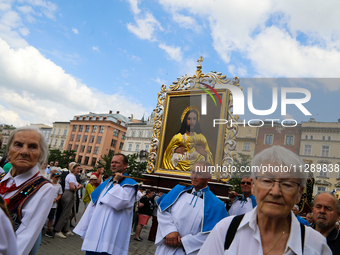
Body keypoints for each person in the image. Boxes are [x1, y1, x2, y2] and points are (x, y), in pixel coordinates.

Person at [198, 146, 331, 255]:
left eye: (287, 184)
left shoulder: (315, 246)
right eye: (267, 181)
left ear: (299, 194)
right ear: (254, 186)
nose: (275, 192)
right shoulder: (225, 231)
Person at [0, 126, 55, 255]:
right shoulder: (2, 178)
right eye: (18, 145)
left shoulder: (44, 188)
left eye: (32, 147)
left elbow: (23, 242)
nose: (24, 151)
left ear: (41, 155)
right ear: (9, 150)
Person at [155, 161, 228, 255]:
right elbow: (163, 210)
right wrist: (170, 231)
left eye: (199, 173)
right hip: (166, 246)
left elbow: (212, 233)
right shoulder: (179, 190)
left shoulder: (216, 204)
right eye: (193, 172)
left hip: (188, 251)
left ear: (209, 177)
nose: (194, 176)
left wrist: (184, 242)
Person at [73, 153, 138, 255]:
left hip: (111, 233)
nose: (113, 164)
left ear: (125, 165)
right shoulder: (106, 183)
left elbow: (120, 202)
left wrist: (116, 182)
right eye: (112, 162)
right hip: (96, 230)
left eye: (117, 162)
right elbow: (93, 206)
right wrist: (84, 227)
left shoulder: (129, 184)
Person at [162, 106, 213, 171]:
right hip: (178, 168)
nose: (191, 121)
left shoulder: (201, 138)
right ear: (185, 120)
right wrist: (174, 150)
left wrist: (205, 154)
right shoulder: (178, 137)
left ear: (197, 121)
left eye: (194, 119)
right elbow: (167, 154)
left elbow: (209, 156)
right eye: (189, 119)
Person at [54, 163, 83, 238]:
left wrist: (78, 186)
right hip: (69, 194)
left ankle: (67, 230)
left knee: (68, 213)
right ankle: (58, 230)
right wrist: (79, 187)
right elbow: (72, 187)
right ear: (73, 169)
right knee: (65, 213)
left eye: (79, 168)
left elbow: (76, 184)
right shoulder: (71, 176)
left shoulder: (73, 176)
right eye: (78, 168)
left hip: (70, 194)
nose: (79, 170)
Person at [45, 170, 63, 238]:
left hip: (53, 204)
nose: (57, 178)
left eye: (58, 177)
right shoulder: (48, 184)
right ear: (52, 177)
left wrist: (56, 199)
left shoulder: (59, 186)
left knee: (51, 217)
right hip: (47, 203)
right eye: (56, 177)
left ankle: (49, 230)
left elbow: (60, 195)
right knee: (44, 216)